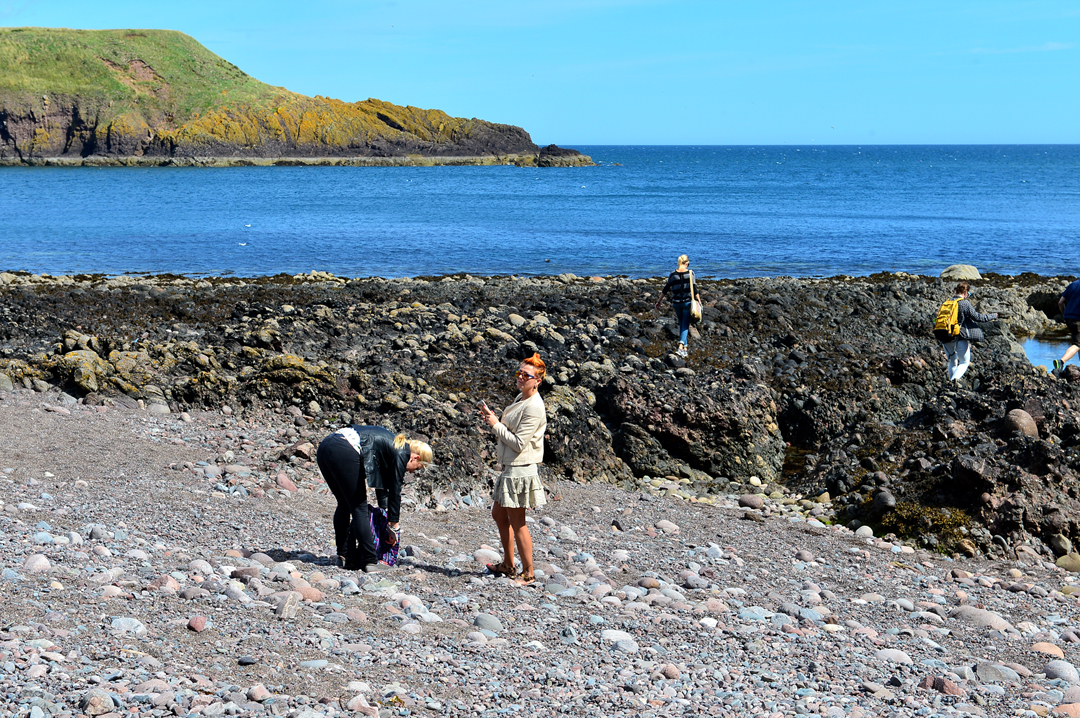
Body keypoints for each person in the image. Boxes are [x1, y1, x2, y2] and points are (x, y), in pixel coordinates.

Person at [315, 425, 432, 572]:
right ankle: (371, 561)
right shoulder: (403, 452)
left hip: (326, 446)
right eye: (418, 468)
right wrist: (394, 526)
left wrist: (385, 516)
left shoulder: (392, 445)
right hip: (345, 448)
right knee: (359, 508)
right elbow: (395, 490)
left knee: (344, 504)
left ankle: (344, 557)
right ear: (416, 457)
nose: (412, 472)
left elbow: (382, 486)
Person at [477, 353, 548, 586]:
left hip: (520, 470)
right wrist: (493, 418)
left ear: (538, 381)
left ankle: (528, 573)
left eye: (526, 375)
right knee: (499, 514)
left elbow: (519, 443)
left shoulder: (534, 407)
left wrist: (495, 425)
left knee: (518, 522)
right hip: (511, 468)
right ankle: (508, 565)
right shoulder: (522, 397)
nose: (520, 377)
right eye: (519, 373)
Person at [937, 282, 998, 383]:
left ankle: (951, 385)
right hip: (958, 336)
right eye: (968, 294)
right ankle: (952, 384)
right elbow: (978, 317)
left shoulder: (946, 302)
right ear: (965, 293)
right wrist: (993, 316)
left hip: (944, 334)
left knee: (952, 362)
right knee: (964, 362)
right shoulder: (964, 303)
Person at [653, 254, 697, 358]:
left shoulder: (672, 274)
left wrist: (658, 301)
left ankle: (685, 349)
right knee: (685, 324)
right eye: (688, 263)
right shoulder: (690, 273)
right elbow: (695, 290)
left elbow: (666, 289)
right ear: (686, 263)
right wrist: (699, 301)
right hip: (687, 303)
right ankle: (680, 347)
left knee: (682, 324)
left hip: (676, 303)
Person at [1054, 278, 1080, 371]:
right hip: (1078, 318)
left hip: (1069, 317)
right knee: (1077, 344)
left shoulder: (1073, 284)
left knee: (1078, 341)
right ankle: (1061, 361)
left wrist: (1064, 315)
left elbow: (1060, 302)